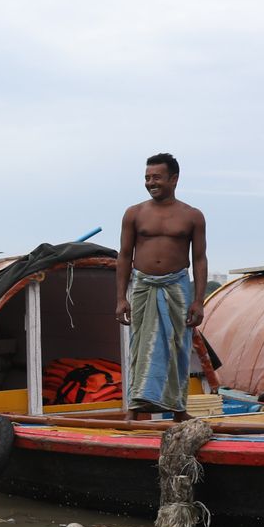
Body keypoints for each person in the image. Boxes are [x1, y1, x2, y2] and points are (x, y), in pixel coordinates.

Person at [114, 152, 210, 421]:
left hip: (177, 285)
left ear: (174, 179)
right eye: (147, 178)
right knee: (140, 345)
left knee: (179, 345)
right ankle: (133, 409)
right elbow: (124, 255)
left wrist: (199, 300)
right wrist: (121, 298)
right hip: (143, 284)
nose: (150, 182)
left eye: (157, 177)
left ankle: (178, 410)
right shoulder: (134, 213)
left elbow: (199, 259)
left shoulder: (192, 216)